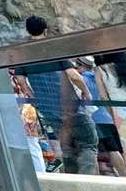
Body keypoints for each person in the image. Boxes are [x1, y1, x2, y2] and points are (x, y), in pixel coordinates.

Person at [15, 16, 96, 174]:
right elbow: (73, 75)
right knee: (88, 143)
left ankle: (73, 184)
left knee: (67, 147)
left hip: (48, 109)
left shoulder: (23, 53)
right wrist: (86, 92)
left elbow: (20, 78)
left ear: (28, 31)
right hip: (70, 106)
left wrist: (29, 92)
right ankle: (88, 183)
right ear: (45, 30)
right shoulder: (53, 48)